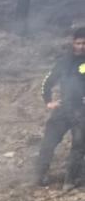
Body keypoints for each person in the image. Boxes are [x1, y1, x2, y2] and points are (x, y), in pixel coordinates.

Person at [34, 28, 85, 188]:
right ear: (73, 43)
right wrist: (48, 101)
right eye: (78, 43)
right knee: (49, 142)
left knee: (79, 145)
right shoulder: (63, 62)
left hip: (82, 110)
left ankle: (70, 180)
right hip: (63, 108)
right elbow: (47, 83)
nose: (81, 46)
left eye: (84, 43)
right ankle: (39, 175)